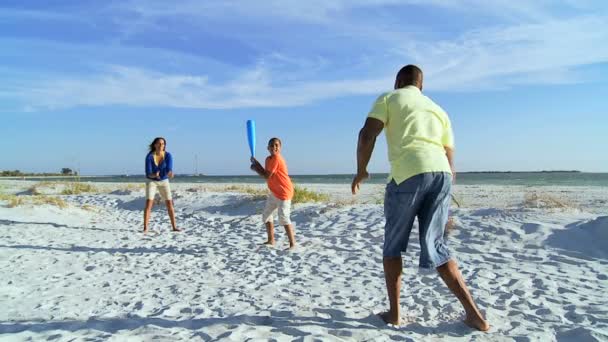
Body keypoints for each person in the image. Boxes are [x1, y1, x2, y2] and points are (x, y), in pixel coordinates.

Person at [351, 65, 489, 331]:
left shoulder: (389, 98)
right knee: (435, 245)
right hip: (442, 175)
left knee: (392, 246)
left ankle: (395, 314)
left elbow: (366, 134)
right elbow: (450, 160)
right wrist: (444, 201)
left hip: (408, 174)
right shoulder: (438, 109)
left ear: (398, 81)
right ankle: (475, 315)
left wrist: (361, 170)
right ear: (421, 86)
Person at [250, 137, 296, 249]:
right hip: (275, 192)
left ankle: (292, 244)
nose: (274, 147)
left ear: (280, 147)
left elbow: (266, 176)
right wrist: (257, 164)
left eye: (276, 145)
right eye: (272, 145)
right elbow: (266, 172)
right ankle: (271, 240)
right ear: (268, 148)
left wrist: (256, 169)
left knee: (284, 218)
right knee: (266, 215)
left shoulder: (277, 158)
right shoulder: (268, 159)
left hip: (284, 192)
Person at [143, 137, 180, 233]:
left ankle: (174, 227)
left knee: (169, 203)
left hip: (164, 181)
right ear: (155, 145)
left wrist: (170, 173)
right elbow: (148, 173)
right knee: (149, 203)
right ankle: (145, 228)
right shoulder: (149, 156)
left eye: (163, 144)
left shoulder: (168, 155)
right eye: (159, 143)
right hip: (151, 181)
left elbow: (169, 169)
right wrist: (154, 175)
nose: (161, 145)